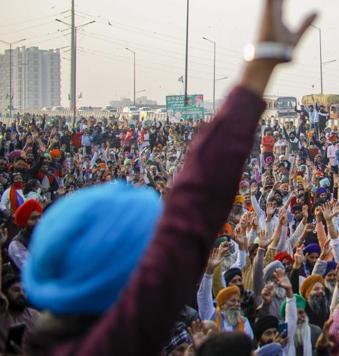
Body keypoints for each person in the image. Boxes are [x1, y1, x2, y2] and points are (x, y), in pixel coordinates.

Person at [20, 1, 318, 354]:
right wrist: (261, 65)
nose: (158, 258)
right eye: (149, 250)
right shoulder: (113, 343)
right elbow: (195, 205)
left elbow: (192, 211)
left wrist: (260, 66)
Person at [8, 199, 42, 270]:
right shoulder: (16, 244)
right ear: (24, 222)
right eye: (33, 218)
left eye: (40, 217)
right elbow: (33, 270)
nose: (39, 221)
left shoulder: (42, 234)